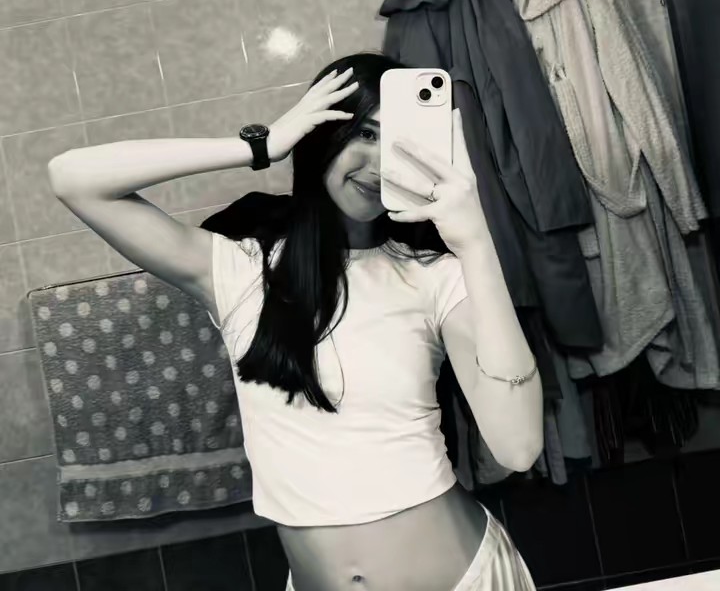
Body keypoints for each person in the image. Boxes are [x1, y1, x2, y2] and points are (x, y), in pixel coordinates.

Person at [47, 52, 543, 591]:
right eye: (366, 134)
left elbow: (517, 448)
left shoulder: (436, 275)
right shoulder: (240, 270)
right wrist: (261, 145)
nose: (380, 163)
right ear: (322, 134)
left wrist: (474, 240)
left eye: (401, 142)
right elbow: (72, 178)